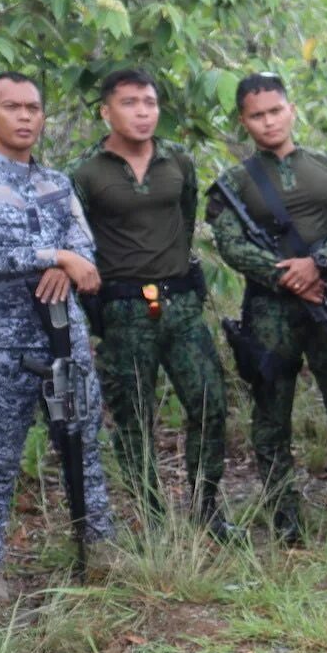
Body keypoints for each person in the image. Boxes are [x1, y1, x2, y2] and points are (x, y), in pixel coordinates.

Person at [0, 71, 116, 599]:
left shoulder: (57, 184)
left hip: (65, 338)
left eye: (33, 108)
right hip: (6, 347)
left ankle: (99, 551)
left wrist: (67, 265)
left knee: (84, 448)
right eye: (12, 107)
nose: (25, 117)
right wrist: (54, 255)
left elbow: (85, 255)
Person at [71, 68, 235, 537]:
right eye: (129, 103)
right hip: (123, 311)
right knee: (133, 418)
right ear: (106, 111)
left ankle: (207, 507)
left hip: (180, 303)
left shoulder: (178, 161)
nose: (142, 113)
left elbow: (186, 217)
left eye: (149, 102)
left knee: (210, 402)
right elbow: (79, 239)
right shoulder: (85, 171)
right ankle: (153, 519)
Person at [207, 73, 327, 544]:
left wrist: (318, 263)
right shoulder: (234, 182)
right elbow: (231, 244)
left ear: (290, 110)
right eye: (257, 115)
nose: (268, 121)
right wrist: (284, 274)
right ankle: (285, 517)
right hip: (269, 312)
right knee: (271, 416)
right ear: (244, 121)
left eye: (275, 111)